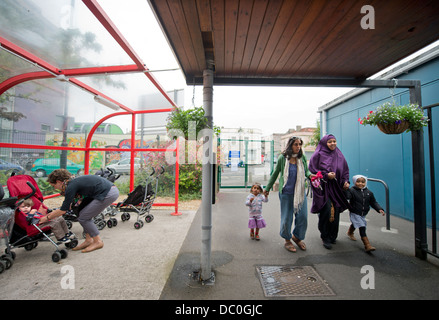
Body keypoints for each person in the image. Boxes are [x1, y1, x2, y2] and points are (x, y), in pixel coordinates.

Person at [39, 169, 119, 253]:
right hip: (109, 190)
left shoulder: (70, 186)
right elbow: (69, 206)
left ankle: (97, 241)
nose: (54, 188)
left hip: (107, 193)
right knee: (83, 212)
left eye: (53, 185)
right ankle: (88, 240)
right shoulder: (72, 181)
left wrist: (46, 218)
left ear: (59, 182)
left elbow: (63, 210)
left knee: (84, 217)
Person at [265, 137, 313, 252]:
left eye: (300, 144)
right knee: (287, 218)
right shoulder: (283, 158)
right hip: (286, 193)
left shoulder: (302, 157)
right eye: (296, 144)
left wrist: (311, 175)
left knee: (303, 218)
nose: (298, 147)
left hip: (300, 193)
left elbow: (306, 171)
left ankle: (297, 237)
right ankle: (287, 240)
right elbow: (275, 173)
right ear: (290, 145)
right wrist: (267, 188)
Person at [309, 134, 351, 249]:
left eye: (334, 141)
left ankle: (333, 235)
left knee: (336, 210)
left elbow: (345, 170)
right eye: (330, 142)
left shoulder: (339, 154)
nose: (333, 143)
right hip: (323, 188)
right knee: (326, 210)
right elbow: (312, 171)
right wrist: (326, 175)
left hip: (336, 188)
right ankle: (325, 236)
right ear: (324, 143)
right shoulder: (318, 155)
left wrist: (345, 182)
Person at [345, 175, 385, 252]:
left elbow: (373, 202)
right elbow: (348, 197)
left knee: (356, 223)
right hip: (355, 212)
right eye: (358, 181)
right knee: (362, 226)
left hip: (363, 213)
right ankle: (367, 245)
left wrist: (379, 209)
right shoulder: (352, 190)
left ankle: (350, 232)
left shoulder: (369, 193)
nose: (360, 184)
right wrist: (346, 189)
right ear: (354, 182)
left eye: (363, 182)